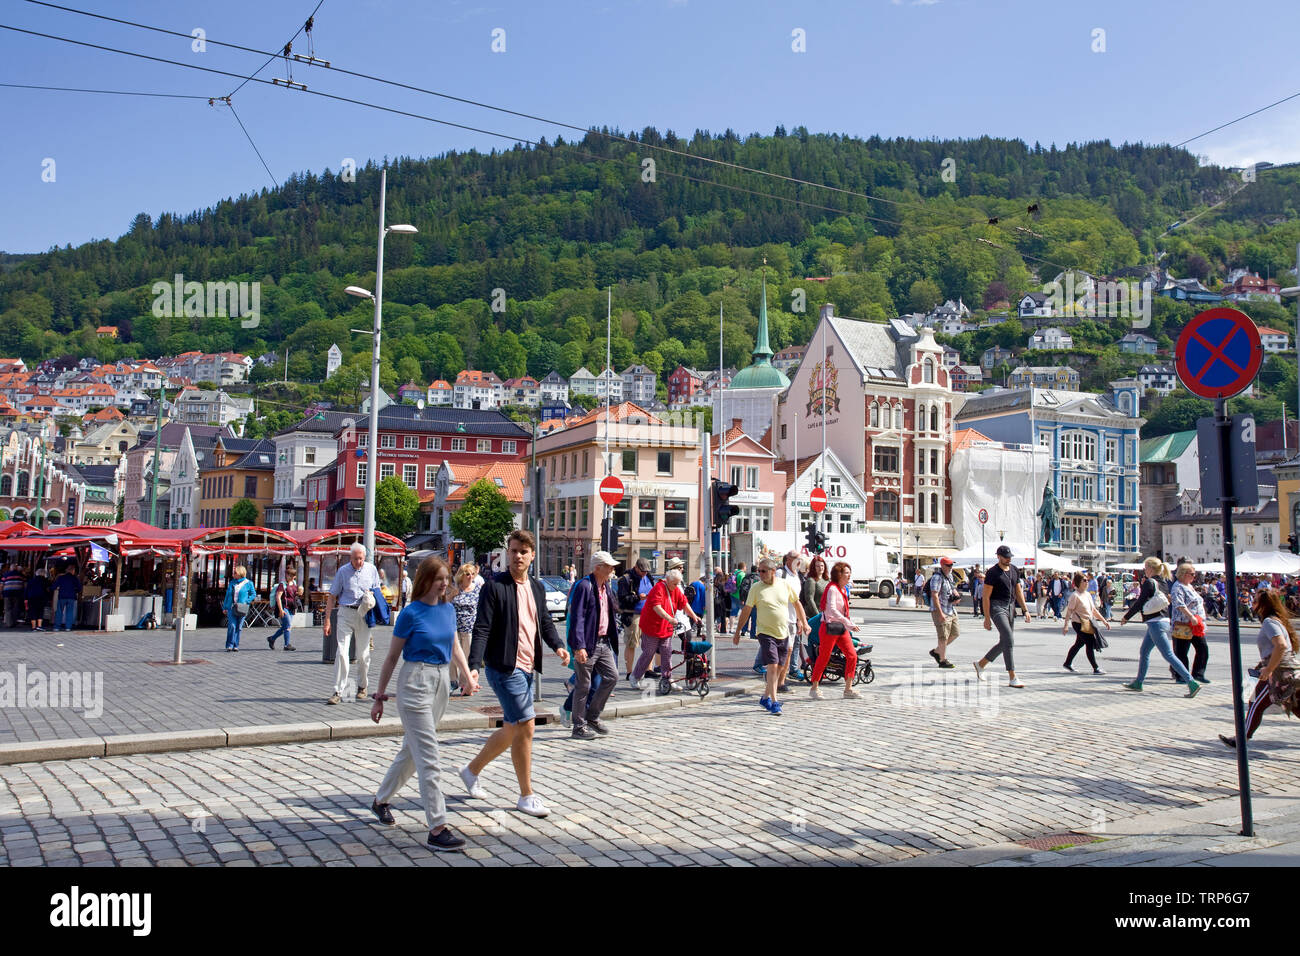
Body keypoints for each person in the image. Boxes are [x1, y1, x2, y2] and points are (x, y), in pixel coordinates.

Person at [369, 556, 477, 852]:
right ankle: (437, 827)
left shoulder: (447, 610)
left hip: (442, 682)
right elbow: (391, 657)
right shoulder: (410, 613)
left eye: (446, 578)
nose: (444, 583)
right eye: (439, 578)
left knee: (411, 750)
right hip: (415, 680)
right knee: (428, 755)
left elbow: (455, 646)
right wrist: (379, 697)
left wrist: (467, 677)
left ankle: (380, 801)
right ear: (425, 580)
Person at [460, 530, 569, 818]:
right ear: (507, 553)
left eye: (523, 551)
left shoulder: (536, 587)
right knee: (526, 725)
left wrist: (558, 646)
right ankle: (526, 795)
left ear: (532, 555)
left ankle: (471, 771)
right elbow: (481, 628)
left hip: (527, 668)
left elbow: (544, 622)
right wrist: (473, 665)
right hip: (503, 668)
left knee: (511, 729)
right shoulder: (495, 587)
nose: (517, 556)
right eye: (513, 551)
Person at [1220, 589, 1300, 749]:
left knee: (1256, 703)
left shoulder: (1270, 622)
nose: (1252, 604)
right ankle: (1242, 737)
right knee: (1297, 708)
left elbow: (1281, 646)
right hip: (1284, 671)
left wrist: (1269, 669)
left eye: (1255, 601)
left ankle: (1241, 739)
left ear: (1264, 605)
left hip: (1278, 674)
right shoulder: (1276, 621)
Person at [733, 557, 810, 715]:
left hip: (783, 632)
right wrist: (738, 631)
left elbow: (797, 604)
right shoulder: (756, 588)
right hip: (765, 632)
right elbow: (747, 610)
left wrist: (804, 622)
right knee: (773, 666)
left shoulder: (784, 585)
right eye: (759, 571)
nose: (760, 574)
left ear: (773, 571)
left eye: (763, 571)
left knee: (781, 668)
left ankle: (765, 697)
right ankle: (774, 702)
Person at [1120, 557, 1199, 696]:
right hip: (1161, 620)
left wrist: (1126, 617)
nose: (1144, 570)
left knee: (1168, 654)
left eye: (1145, 568)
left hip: (1155, 623)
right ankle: (1138, 682)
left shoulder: (1150, 582)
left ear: (1150, 568)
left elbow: (1140, 602)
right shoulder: (1162, 582)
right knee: (1144, 651)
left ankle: (1191, 682)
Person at [567, 551, 622, 740]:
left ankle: (592, 716)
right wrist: (578, 646)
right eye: (609, 566)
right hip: (588, 644)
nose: (612, 570)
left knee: (612, 677)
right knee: (583, 686)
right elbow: (577, 618)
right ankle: (578, 727)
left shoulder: (606, 587)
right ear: (598, 567)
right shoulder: (584, 586)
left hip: (603, 642)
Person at [323, 542, 383, 705]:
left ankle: (362, 686)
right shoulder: (343, 572)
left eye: (361, 559)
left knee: (363, 655)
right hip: (345, 612)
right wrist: (327, 619)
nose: (359, 562)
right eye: (356, 559)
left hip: (364, 614)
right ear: (350, 557)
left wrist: (372, 598)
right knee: (342, 652)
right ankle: (338, 690)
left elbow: (378, 591)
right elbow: (332, 596)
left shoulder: (371, 570)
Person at [974, 545, 1032, 688]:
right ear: (998, 556)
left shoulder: (1014, 570)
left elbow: (1018, 591)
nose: (1008, 559)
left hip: (1010, 606)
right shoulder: (993, 573)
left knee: (1005, 641)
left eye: (1010, 557)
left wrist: (1025, 610)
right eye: (1006, 557)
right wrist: (987, 618)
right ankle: (1012, 676)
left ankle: (981, 664)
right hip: (997, 606)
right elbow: (986, 597)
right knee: (1009, 638)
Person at [635, 567, 699, 687]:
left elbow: (684, 603)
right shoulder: (658, 588)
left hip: (666, 627)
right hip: (652, 626)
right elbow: (656, 607)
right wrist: (670, 618)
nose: (676, 586)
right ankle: (636, 676)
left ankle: (667, 678)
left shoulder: (675, 589)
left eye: (678, 584)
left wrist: (695, 617)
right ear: (668, 580)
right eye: (675, 584)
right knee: (648, 652)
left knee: (666, 653)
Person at [809, 561, 862, 699]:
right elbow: (831, 610)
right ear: (838, 574)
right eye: (846, 573)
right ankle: (814, 688)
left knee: (852, 655)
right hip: (829, 627)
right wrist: (848, 622)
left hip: (841, 627)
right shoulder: (832, 588)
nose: (849, 575)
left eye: (849, 572)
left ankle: (848, 689)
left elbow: (842, 611)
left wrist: (847, 622)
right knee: (824, 657)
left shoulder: (843, 589)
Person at [1062, 571, 1110, 674]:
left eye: (1088, 580)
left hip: (1088, 622)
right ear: (1078, 582)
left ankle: (1067, 663)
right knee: (1089, 642)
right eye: (1084, 580)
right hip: (1078, 623)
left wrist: (1104, 621)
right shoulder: (1075, 596)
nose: (1087, 582)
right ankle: (1095, 668)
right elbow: (1069, 611)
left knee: (1079, 644)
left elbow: (1093, 610)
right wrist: (1066, 625)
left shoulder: (1087, 594)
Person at [1170, 562, 1209, 684]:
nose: (1194, 576)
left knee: (1202, 648)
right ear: (1183, 574)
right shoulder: (1178, 587)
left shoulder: (1189, 586)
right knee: (1182, 651)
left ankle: (1198, 673)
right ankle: (1181, 675)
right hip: (1184, 623)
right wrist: (1191, 616)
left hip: (1196, 625)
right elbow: (1179, 604)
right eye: (1192, 574)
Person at [617, 558, 655, 682]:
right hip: (633, 615)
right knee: (632, 643)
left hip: (648, 614)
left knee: (650, 643)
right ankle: (629, 672)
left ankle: (649, 670)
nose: (644, 573)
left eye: (646, 571)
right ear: (636, 567)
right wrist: (638, 598)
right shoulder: (626, 579)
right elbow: (622, 599)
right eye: (642, 571)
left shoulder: (648, 577)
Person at [450, 564, 481, 695]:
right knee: (452, 655)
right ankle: (452, 681)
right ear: (461, 575)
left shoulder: (477, 589)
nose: (470, 577)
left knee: (467, 656)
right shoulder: (455, 589)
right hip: (454, 627)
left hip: (469, 628)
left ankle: (464, 683)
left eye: (472, 574)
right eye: (467, 574)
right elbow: (446, 603)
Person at [928, 557, 959, 669]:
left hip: (950, 609)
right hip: (940, 610)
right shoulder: (937, 578)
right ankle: (942, 660)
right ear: (942, 566)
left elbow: (953, 588)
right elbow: (934, 595)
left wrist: (956, 596)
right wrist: (940, 613)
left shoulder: (949, 576)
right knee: (943, 637)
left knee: (955, 633)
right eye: (948, 565)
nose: (950, 567)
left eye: (951, 565)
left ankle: (937, 651)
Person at [222, 565, 255, 652]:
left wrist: (246, 601)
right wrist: (225, 607)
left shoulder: (248, 583)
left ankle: (236, 645)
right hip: (231, 607)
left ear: (240, 574)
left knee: (239, 627)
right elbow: (227, 595)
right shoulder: (232, 582)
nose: (233, 574)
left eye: (235, 573)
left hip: (242, 607)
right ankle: (229, 644)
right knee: (232, 626)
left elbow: (253, 594)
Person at [267, 565, 300, 651]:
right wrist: (281, 610)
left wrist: (299, 593)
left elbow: (294, 595)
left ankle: (272, 638)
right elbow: (278, 597)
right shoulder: (282, 585)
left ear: (294, 576)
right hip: (284, 607)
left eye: (289, 575)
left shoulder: (295, 584)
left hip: (291, 607)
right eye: (287, 574)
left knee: (285, 626)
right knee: (288, 625)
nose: (287, 576)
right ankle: (286, 645)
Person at [52, 563, 81, 633]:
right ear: (73, 571)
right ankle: (68, 627)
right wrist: (74, 591)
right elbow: (79, 588)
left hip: (62, 596)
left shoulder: (61, 578)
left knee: (59, 612)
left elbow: (54, 587)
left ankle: (57, 627)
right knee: (69, 612)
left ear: (67, 570)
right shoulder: (75, 578)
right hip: (71, 597)